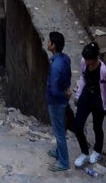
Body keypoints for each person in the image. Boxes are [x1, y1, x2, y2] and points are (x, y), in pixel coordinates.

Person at [72, 41, 106, 167]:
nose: (87, 62)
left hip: (98, 101)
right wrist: (78, 95)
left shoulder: (103, 71)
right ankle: (84, 152)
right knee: (78, 126)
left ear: (95, 58)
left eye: (89, 59)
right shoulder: (84, 63)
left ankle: (97, 150)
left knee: (97, 127)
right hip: (86, 97)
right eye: (86, 59)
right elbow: (83, 78)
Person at [45, 30, 72, 172]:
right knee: (59, 128)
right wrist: (67, 90)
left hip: (56, 102)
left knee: (59, 131)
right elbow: (68, 76)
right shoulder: (65, 58)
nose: (47, 43)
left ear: (53, 46)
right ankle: (58, 151)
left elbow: (54, 90)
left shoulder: (55, 66)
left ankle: (63, 162)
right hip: (62, 99)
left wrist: (63, 95)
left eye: (49, 41)